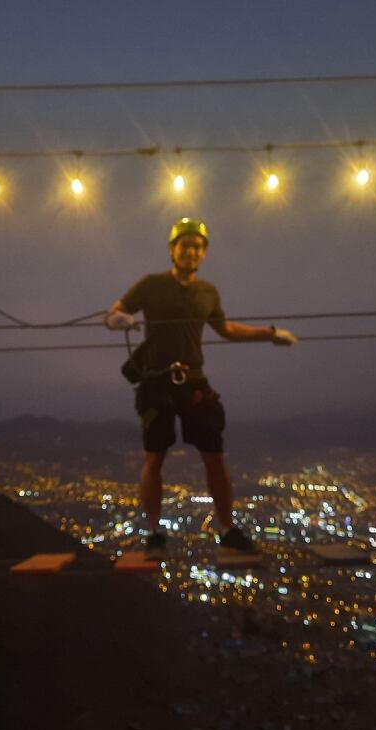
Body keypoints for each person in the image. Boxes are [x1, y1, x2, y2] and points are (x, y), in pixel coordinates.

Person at [104, 217, 297, 556]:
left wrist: (269, 335)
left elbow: (225, 329)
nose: (191, 251)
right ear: (172, 250)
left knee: (214, 455)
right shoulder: (150, 285)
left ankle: (226, 527)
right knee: (154, 457)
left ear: (203, 254)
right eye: (185, 245)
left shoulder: (208, 292)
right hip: (156, 381)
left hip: (193, 380)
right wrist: (117, 319)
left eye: (197, 247)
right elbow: (114, 313)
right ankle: (154, 531)